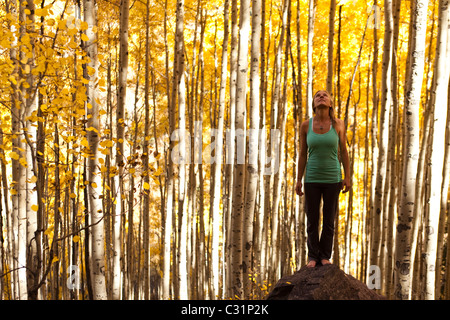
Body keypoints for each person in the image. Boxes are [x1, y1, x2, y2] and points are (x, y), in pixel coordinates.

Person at [295, 90, 351, 268]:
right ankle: (313, 257)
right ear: (313, 104)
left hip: (332, 178)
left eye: (325, 95)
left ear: (330, 103)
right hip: (311, 178)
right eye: (317, 95)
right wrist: (298, 179)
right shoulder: (305, 126)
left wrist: (347, 176)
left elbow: (343, 151)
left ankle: (325, 256)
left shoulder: (339, 124)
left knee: (328, 219)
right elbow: (303, 154)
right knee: (312, 219)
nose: (321, 96)